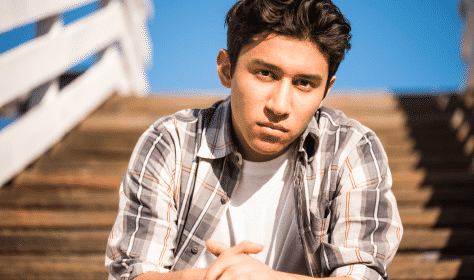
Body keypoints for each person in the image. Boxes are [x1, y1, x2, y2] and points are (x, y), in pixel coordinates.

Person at [105, 0, 402, 279]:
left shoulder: (352, 149)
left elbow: (363, 272)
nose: (280, 105)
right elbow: (134, 270)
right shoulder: (170, 142)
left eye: (304, 83)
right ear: (226, 68)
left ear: (326, 90)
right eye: (265, 73)